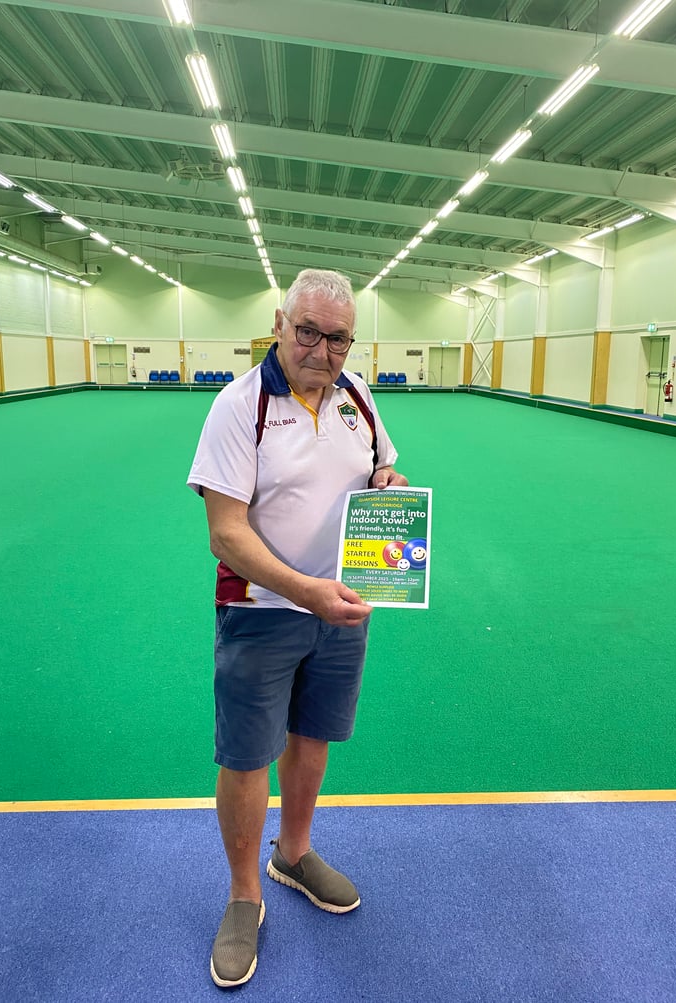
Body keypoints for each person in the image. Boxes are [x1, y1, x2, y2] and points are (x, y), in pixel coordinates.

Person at [186, 268, 408, 988]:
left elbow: (384, 471)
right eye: (308, 329)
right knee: (249, 754)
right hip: (262, 613)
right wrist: (304, 591)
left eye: (338, 336)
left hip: (342, 608)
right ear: (281, 322)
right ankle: (244, 893)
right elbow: (226, 533)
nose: (322, 347)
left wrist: (388, 487)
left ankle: (296, 851)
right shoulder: (238, 405)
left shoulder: (358, 395)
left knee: (313, 736)